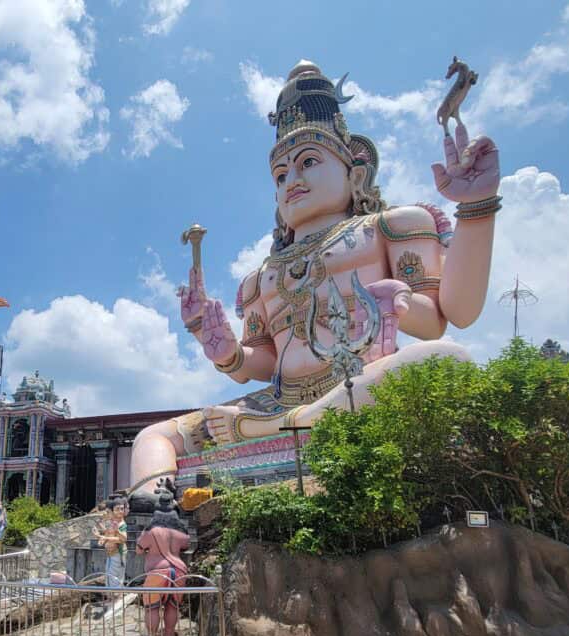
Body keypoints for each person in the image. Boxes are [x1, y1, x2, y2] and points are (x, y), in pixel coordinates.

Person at [128, 60, 499, 506]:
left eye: (308, 163)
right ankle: (154, 514)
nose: (293, 181)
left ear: (354, 174)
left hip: (361, 384)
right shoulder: (262, 277)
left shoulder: (391, 227)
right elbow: (265, 361)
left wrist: (475, 209)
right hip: (278, 402)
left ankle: (283, 429)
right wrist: (227, 352)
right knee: (154, 436)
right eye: (281, 175)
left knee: (446, 361)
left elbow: (448, 316)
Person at [136, 498, 190, 636]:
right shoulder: (181, 534)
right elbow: (186, 546)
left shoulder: (151, 532)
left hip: (157, 571)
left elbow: (138, 550)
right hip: (179, 571)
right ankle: (169, 635)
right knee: (172, 605)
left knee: (152, 607)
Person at [97, 499, 128, 590]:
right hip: (111, 553)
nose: (120, 511)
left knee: (115, 576)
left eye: (122, 509)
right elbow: (108, 534)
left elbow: (123, 539)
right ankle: (110, 596)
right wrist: (102, 538)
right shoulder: (113, 523)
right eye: (117, 509)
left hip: (118, 551)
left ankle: (115, 597)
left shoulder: (122, 524)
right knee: (109, 574)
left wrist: (114, 532)